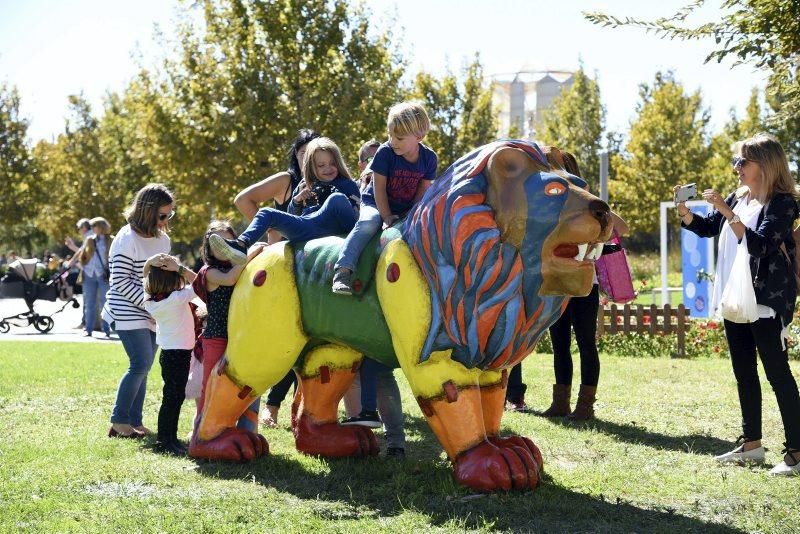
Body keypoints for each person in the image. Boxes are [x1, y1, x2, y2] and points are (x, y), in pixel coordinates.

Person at [677, 133, 800, 476]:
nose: (737, 168)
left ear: (766, 164)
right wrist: (687, 215)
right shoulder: (739, 197)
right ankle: (752, 446)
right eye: (737, 161)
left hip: (765, 299)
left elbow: (760, 245)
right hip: (734, 296)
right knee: (744, 373)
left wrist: (726, 211)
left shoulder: (783, 203)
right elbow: (708, 228)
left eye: (743, 161)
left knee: (778, 375)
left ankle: (796, 452)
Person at [332, 102, 438, 295]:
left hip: (404, 207)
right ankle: (343, 270)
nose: (392, 141)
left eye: (399, 137)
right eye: (390, 135)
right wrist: (387, 216)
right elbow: (379, 189)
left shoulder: (429, 158)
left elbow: (422, 191)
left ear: (419, 137)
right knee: (368, 223)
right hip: (375, 201)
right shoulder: (385, 152)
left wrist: (411, 215)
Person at [209, 136, 360, 264]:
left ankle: (356, 240)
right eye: (321, 165)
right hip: (309, 227)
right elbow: (292, 215)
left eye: (332, 164)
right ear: (311, 167)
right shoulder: (304, 185)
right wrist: (297, 201)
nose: (328, 168)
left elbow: (357, 210)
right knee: (266, 212)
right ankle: (241, 245)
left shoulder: (346, 184)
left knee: (336, 199)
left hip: (337, 226)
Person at [103, 184, 176, 439]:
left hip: (152, 311)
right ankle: (119, 420)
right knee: (140, 364)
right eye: (162, 216)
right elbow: (120, 282)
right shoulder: (125, 238)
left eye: (170, 215)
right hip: (126, 310)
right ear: (148, 212)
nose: (166, 221)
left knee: (143, 367)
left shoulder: (163, 240)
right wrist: (150, 306)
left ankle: (134, 421)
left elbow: (162, 278)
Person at [192, 221, 264, 431]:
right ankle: (202, 429)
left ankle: (245, 429)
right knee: (212, 385)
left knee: (246, 381)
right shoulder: (209, 272)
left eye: (227, 242)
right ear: (209, 248)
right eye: (217, 243)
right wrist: (248, 255)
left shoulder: (244, 268)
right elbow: (230, 279)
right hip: (217, 336)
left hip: (242, 336)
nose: (222, 247)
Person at [141, 254, 197, 455]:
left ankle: (169, 439)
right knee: (173, 398)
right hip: (179, 354)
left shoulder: (150, 301)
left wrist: (149, 265)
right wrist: (179, 267)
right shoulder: (176, 298)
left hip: (169, 354)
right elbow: (200, 282)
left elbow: (144, 278)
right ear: (173, 280)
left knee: (172, 398)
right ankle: (165, 441)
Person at [234, 129, 321, 245]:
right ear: (296, 153)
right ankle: (239, 246)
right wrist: (271, 229)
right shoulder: (285, 180)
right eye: (303, 153)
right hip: (284, 253)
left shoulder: (332, 180)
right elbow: (242, 200)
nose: (308, 159)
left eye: (312, 153)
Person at [79, 217, 113, 338]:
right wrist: (82, 264)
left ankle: (106, 330)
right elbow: (83, 255)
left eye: (94, 226)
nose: (92, 229)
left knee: (105, 303)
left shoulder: (110, 240)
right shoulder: (89, 240)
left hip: (103, 275)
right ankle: (88, 329)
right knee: (89, 303)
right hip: (89, 274)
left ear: (101, 227)